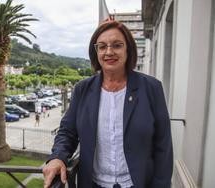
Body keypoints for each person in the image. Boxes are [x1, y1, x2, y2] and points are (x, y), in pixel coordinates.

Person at [43, 21, 173, 188]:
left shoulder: (151, 88)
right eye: (102, 46)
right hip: (94, 184)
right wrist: (57, 157)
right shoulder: (82, 89)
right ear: (96, 52)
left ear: (128, 49)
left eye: (117, 45)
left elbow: (163, 145)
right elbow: (67, 132)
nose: (109, 52)